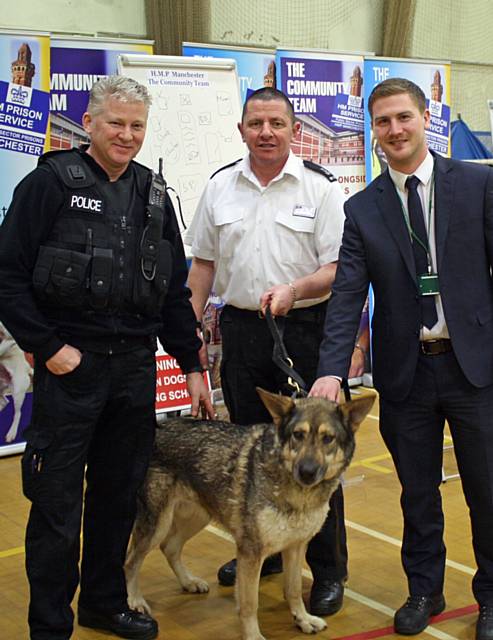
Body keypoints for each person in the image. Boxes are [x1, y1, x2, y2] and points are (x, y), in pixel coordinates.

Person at [0, 76, 213, 640]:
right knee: (57, 505)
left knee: (119, 499)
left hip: (134, 370)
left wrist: (192, 364)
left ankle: (103, 602)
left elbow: (171, 291)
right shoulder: (49, 184)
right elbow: (8, 275)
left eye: (137, 125)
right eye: (115, 123)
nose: (126, 134)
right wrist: (49, 349)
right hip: (71, 368)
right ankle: (50, 624)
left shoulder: (152, 195)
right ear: (90, 122)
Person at [310, 77, 493, 640]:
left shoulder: (478, 184)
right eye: (383, 122)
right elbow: (346, 294)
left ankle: (490, 598)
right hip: (406, 373)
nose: (394, 130)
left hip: (475, 369)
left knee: (487, 489)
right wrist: (330, 370)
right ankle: (424, 590)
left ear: (424, 119)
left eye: (403, 117)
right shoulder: (363, 208)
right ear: (374, 133)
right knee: (417, 491)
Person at [186, 86, 363, 617]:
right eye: (256, 123)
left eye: (276, 124)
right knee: (249, 455)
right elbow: (203, 267)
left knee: (320, 456)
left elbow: (339, 269)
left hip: (306, 332)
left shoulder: (321, 189)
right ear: (241, 129)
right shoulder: (219, 188)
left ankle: (327, 570)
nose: (266, 132)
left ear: (294, 131)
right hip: (241, 333)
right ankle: (261, 550)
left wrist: (295, 290)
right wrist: (187, 333)